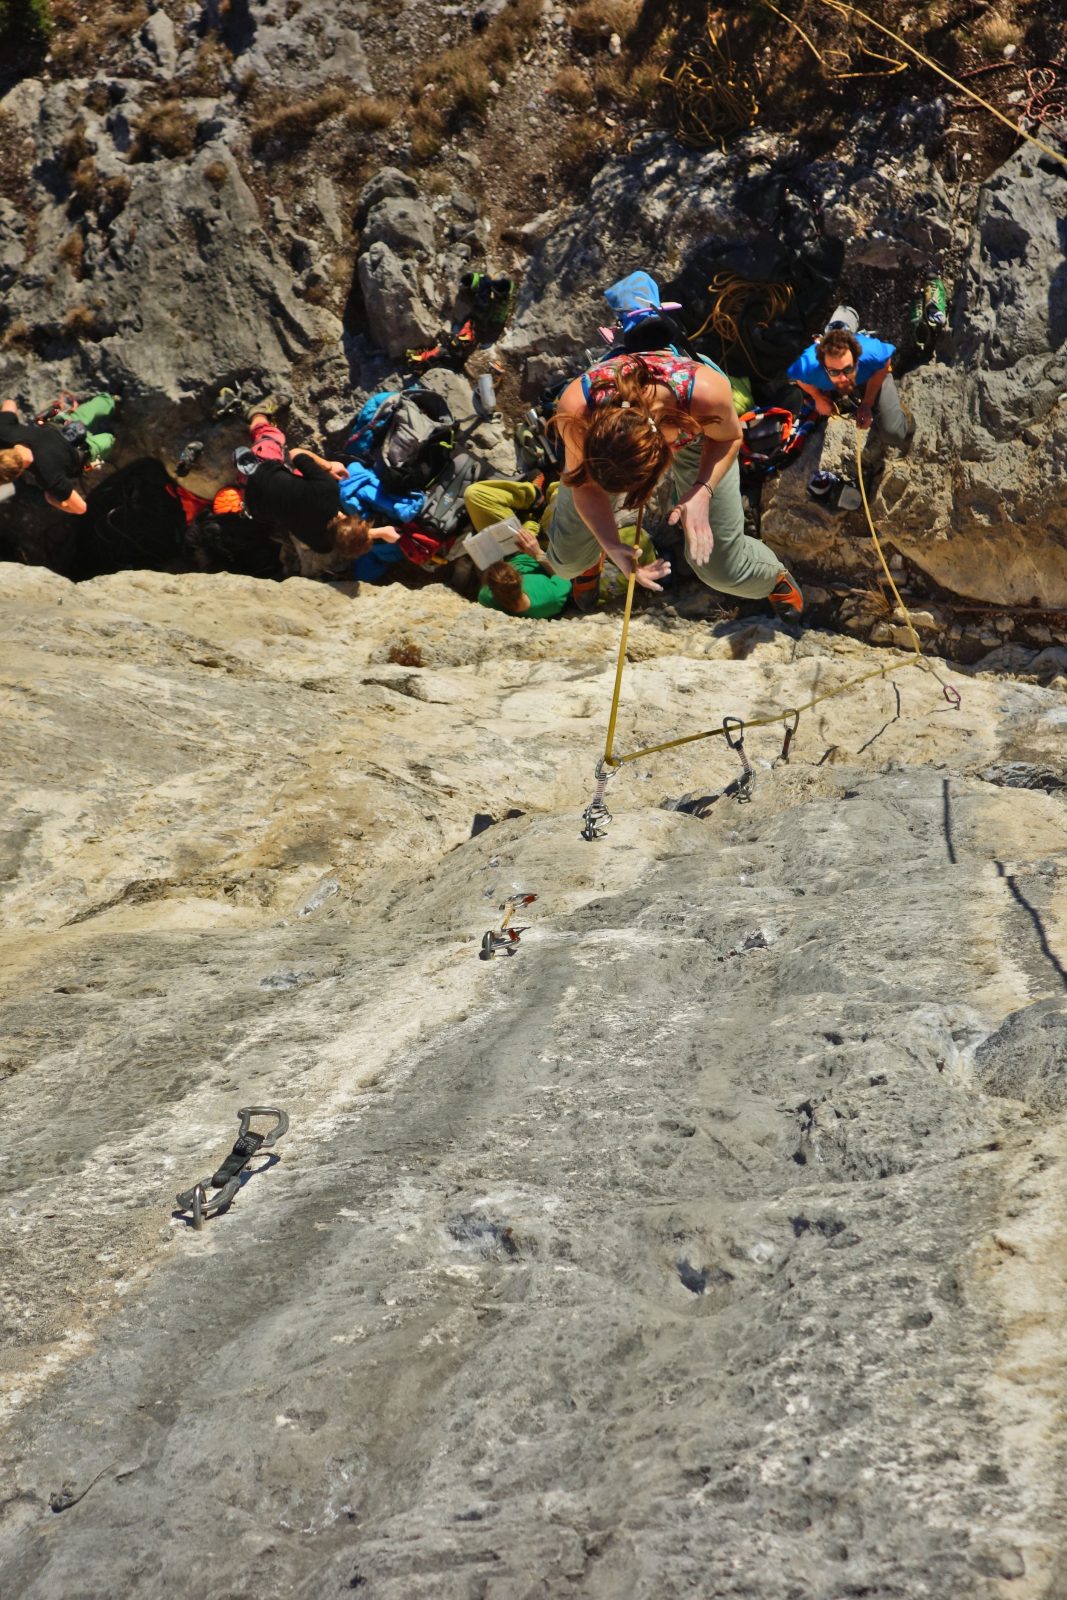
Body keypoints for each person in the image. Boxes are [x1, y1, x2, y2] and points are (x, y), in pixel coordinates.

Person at [543, 350, 803, 616]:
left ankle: (771, 579)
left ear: (661, 459)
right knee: (567, 562)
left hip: (701, 432)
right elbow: (585, 485)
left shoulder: (705, 394)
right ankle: (588, 560)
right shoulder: (578, 413)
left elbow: (730, 437)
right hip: (613, 436)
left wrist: (702, 490)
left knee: (720, 566)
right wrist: (610, 544)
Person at [241, 400, 400, 569]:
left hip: (258, 471)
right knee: (297, 479)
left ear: (350, 518)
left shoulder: (327, 490)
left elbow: (295, 453)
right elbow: (342, 533)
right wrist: (379, 533)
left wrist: (329, 466)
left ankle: (257, 414)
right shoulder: (322, 546)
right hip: (253, 502)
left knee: (272, 436)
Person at [787, 321, 911, 446]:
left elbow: (885, 361)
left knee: (893, 433)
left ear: (857, 361)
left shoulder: (871, 353)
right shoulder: (809, 366)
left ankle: (906, 421)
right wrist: (818, 397)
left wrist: (868, 403)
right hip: (839, 378)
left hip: (869, 375)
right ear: (823, 367)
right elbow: (798, 377)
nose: (842, 378)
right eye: (834, 372)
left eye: (847, 369)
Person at [464, 477, 572, 618]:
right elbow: (563, 574)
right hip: (549, 547)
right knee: (564, 492)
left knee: (474, 494)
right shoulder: (552, 598)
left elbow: (492, 577)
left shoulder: (486, 598)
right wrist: (537, 552)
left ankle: (533, 499)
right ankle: (539, 502)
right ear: (520, 580)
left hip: (511, 547)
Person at [0, 394, 117, 515]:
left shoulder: (49, 478)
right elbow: (10, 402)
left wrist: (52, 501)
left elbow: (81, 508)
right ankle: (113, 399)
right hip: (67, 424)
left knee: (110, 438)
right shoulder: (3, 432)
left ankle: (108, 444)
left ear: (17, 474)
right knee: (103, 402)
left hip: (86, 449)